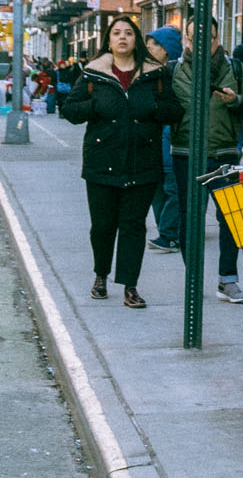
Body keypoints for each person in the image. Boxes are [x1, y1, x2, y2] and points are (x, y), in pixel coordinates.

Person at [60, 15, 178, 308]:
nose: (122, 37)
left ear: (136, 39)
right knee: (102, 226)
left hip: (143, 163)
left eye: (128, 32)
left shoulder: (155, 74)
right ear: (109, 40)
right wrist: (96, 105)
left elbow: (175, 111)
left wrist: (152, 106)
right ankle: (100, 275)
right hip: (102, 162)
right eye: (116, 33)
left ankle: (130, 286)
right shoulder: (93, 73)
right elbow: (70, 110)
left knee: (134, 227)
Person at [172, 31, 243, 302]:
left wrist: (237, 101)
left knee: (231, 217)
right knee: (189, 219)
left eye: (207, 37)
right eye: (193, 36)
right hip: (186, 153)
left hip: (224, 153)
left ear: (218, 39)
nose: (200, 42)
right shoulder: (173, 69)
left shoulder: (235, 68)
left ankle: (227, 279)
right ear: (186, 40)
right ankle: (192, 278)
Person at [146, 28, 184, 253]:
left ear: (167, 49)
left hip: (169, 142)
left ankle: (169, 234)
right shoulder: (152, 71)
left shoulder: (172, 72)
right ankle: (166, 232)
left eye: (153, 44)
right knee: (159, 189)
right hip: (157, 143)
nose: (149, 48)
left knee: (171, 189)